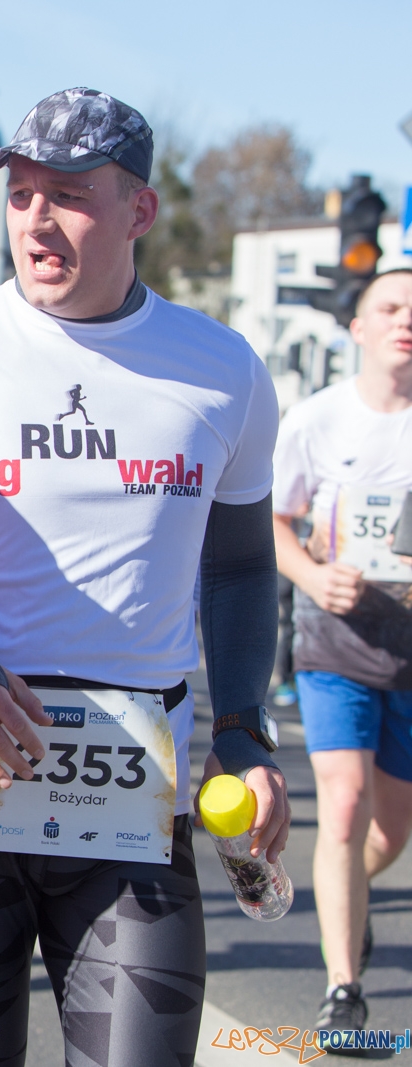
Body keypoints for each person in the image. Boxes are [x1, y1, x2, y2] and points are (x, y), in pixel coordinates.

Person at [0, 87, 291, 1065]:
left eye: (69, 195)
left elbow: (242, 565)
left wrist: (243, 728)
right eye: (21, 193)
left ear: (139, 210)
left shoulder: (220, 368)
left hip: (131, 802)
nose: (36, 219)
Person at [271, 268, 412, 1035]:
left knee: (391, 830)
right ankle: (343, 988)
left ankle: (345, 901)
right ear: (357, 327)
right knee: (346, 803)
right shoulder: (319, 419)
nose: (404, 322)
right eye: (388, 308)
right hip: (336, 645)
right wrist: (313, 576)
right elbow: (273, 519)